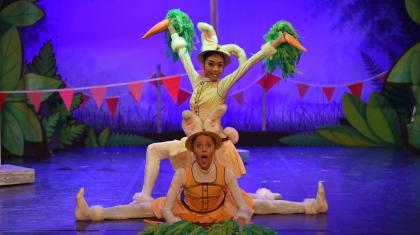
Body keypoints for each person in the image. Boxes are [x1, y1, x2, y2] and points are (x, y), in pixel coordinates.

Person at [134, 22, 306, 202]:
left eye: (220, 65)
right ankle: (145, 197)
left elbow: (248, 65)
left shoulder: (221, 87)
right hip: (195, 143)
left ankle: (263, 199)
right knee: (153, 150)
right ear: (204, 63)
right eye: (211, 64)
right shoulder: (196, 81)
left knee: (230, 199)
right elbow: (183, 54)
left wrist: (278, 41)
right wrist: (172, 29)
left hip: (214, 147)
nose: (215, 69)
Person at [75, 106, 328, 225]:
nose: (204, 149)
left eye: (209, 146)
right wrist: (173, 219)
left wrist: (241, 213)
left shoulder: (224, 172)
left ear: (214, 148)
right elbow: (171, 204)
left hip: (220, 210)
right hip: (188, 211)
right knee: (138, 210)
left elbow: (240, 202)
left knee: (263, 205)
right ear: (193, 149)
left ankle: (311, 206)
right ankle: (92, 213)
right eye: (200, 146)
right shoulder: (183, 173)